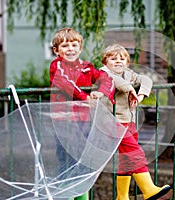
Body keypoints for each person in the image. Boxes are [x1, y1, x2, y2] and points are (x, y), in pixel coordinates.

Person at [49, 27, 115, 200]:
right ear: (56, 51)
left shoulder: (87, 67)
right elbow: (65, 82)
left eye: (74, 45)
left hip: (84, 120)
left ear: (80, 48)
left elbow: (105, 78)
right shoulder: (57, 65)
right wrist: (84, 97)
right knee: (67, 160)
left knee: (83, 160)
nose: (70, 49)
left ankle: (81, 196)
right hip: (64, 121)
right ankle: (66, 196)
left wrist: (101, 92)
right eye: (65, 46)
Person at [100, 44, 171, 200]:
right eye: (113, 58)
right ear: (105, 62)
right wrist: (131, 89)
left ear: (127, 62)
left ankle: (122, 197)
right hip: (113, 122)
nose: (118, 61)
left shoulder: (128, 73)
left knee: (126, 159)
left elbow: (145, 79)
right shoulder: (103, 73)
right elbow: (117, 82)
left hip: (129, 121)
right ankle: (148, 190)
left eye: (122, 58)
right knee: (135, 153)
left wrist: (141, 95)